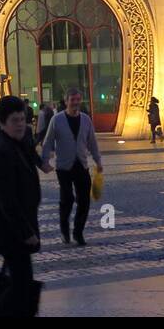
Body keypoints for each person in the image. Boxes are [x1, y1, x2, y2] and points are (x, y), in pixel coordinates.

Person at [0, 95, 43, 317]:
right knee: (21, 285)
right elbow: (6, 200)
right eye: (15, 120)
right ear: (2, 123)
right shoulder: (0, 152)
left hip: (15, 228)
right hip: (10, 230)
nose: (21, 124)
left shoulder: (17, 143)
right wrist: (26, 233)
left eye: (23, 119)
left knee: (19, 282)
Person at [39, 87, 103, 246]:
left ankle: (78, 231)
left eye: (77, 100)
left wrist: (98, 161)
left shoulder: (86, 120)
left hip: (81, 164)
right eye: (72, 100)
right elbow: (48, 142)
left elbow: (92, 142)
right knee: (67, 198)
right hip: (64, 166)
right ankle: (64, 229)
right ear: (66, 101)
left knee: (84, 201)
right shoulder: (57, 119)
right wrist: (44, 161)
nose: (75, 103)